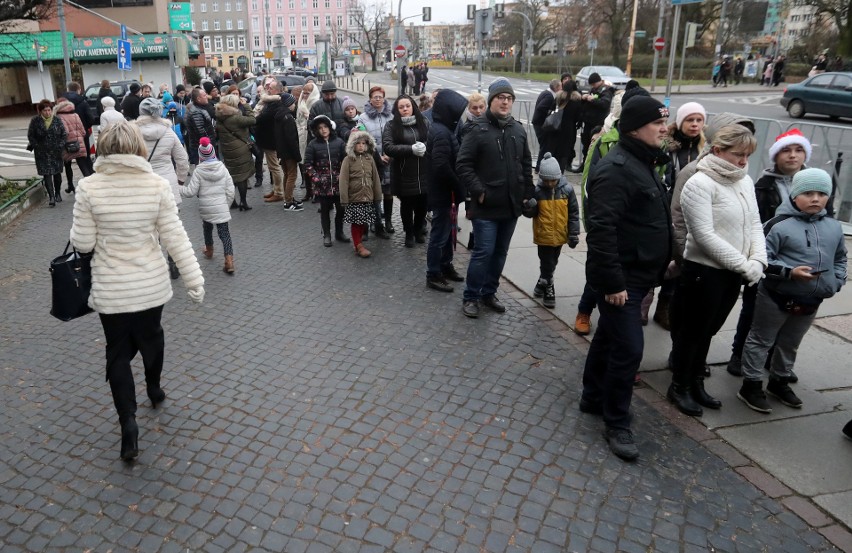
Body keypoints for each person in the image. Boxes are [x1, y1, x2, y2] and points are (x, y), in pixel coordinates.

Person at [70, 121, 204, 461]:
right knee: (152, 337)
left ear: (102, 148)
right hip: (149, 285)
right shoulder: (156, 185)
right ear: (137, 147)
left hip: (111, 287)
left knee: (116, 353)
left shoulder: (88, 187)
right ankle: (154, 386)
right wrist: (193, 279)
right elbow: (174, 235)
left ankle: (128, 424)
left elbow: (82, 243)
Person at [580, 95, 672, 461]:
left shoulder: (643, 161)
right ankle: (616, 421)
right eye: (658, 123)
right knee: (629, 349)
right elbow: (602, 231)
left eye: (665, 122)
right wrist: (614, 283)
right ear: (635, 128)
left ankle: (592, 396)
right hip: (623, 279)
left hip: (640, 272)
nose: (665, 129)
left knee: (607, 338)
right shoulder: (617, 168)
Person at [667, 125, 765, 417]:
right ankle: (679, 385)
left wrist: (759, 260)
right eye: (738, 154)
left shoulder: (744, 181)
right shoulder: (699, 183)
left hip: (733, 273)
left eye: (748, 155)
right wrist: (745, 265)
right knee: (691, 332)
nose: (744, 161)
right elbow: (704, 236)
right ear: (718, 150)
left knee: (708, 331)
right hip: (703, 272)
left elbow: (755, 224)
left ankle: (696, 381)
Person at [737, 168, 847, 413]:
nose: (815, 199)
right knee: (761, 339)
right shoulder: (777, 225)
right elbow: (761, 258)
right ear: (794, 196)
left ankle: (779, 380)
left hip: (812, 297)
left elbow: (840, 257)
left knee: (790, 342)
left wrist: (837, 280)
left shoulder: (833, 226)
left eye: (821, 193)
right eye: (808, 193)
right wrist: (790, 272)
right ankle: (751, 384)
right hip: (777, 295)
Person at [727, 129, 812, 377]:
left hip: (798, 261)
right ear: (775, 156)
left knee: (790, 313)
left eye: (798, 150)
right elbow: (754, 223)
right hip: (766, 258)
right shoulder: (763, 187)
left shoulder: (814, 183)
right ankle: (739, 353)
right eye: (786, 150)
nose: (792, 156)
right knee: (753, 309)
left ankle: (774, 358)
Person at [574, 84, 651, 336]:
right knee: (600, 273)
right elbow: (588, 187)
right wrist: (592, 227)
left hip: (638, 232)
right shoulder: (604, 143)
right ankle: (584, 311)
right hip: (609, 226)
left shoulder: (656, 150)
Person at [456, 78, 533, 318]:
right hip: (486, 205)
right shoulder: (477, 129)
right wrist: (479, 191)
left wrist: (528, 194)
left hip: (511, 205)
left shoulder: (518, 129)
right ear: (492, 100)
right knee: (484, 252)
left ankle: (489, 293)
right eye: (501, 97)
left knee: (500, 253)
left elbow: (527, 165)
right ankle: (471, 296)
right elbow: (463, 164)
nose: (505, 102)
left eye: (509, 98)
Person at [646, 101, 706, 328]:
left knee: (680, 259)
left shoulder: (703, 148)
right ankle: (645, 302)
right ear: (680, 122)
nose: (695, 124)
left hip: (692, 211)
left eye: (699, 120)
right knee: (657, 257)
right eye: (690, 120)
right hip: (666, 209)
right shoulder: (667, 147)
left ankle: (664, 308)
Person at [137, 98, 190, 280]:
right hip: (167, 186)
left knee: (149, 228)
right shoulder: (168, 132)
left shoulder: (133, 133)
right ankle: (173, 264)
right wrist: (180, 180)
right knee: (171, 227)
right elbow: (182, 159)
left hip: (143, 185)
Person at [424, 89, 468, 292]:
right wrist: (457, 185)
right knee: (440, 234)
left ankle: (444, 265)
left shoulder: (443, 128)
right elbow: (441, 165)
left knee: (448, 233)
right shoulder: (441, 131)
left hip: (446, 191)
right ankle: (434, 273)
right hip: (443, 193)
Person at [523, 153, 580, 308]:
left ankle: (542, 281)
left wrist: (573, 233)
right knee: (546, 261)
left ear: (558, 177)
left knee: (552, 261)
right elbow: (531, 214)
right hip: (544, 234)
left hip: (560, 234)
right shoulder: (538, 191)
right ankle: (549, 286)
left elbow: (574, 213)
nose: (550, 184)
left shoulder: (567, 190)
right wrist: (529, 207)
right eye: (546, 181)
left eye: (552, 181)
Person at [181, 137, 237, 274]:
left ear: (201, 155)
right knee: (225, 234)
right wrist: (226, 205)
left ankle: (209, 250)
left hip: (206, 208)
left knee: (207, 228)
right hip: (221, 207)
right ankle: (229, 260)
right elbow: (230, 190)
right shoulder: (222, 168)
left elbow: (190, 192)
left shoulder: (199, 171)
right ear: (213, 153)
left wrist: (178, 187)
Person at [382, 94, 430, 248]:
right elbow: (388, 147)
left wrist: (425, 146)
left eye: (407, 106)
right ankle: (409, 233)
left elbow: (433, 139)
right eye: (401, 107)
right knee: (407, 205)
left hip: (423, 172)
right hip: (404, 174)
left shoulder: (424, 122)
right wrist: (410, 149)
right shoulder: (391, 125)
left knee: (422, 205)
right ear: (397, 109)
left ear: (413, 107)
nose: (405, 109)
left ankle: (418, 230)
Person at [305, 115, 348, 247]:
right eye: (320, 128)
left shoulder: (339, 142)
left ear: (330, 127)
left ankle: (339, 232)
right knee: (324, 210)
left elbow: (346, 160)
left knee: (341, 209)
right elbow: (307, 164)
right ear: (316, 130)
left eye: (325, 127)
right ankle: (327, 235)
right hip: (322, 185)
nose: (323, 130)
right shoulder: (313, 145)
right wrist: (316, 178)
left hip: (338, 183)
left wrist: (343, 175)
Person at [356, 86, 393, 237]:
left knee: (389, 193)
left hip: (390, 159)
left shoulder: (391, 116)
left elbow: (395, 136)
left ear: (384, 98)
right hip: (372, 161)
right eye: (375, 97)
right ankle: (375, 223)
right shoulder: (363, 117)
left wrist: (389, 154)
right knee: (374, 194)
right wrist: (378, 156)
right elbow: (362, 140)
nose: (378, 99)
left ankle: (388, 221)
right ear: (370, 99)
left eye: (380, 97)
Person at [340, 130, 382, 258]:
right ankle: (358, 245)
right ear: (353, 144)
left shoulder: (369, 159)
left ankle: (358, 242)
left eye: (363, 143)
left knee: (363, 221)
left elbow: (375, 178)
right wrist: (344, 199)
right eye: (358, 143)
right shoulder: (348, 160)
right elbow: (344, 180)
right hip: (355, 197)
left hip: (368, 196)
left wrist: (377, 195)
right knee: (356, 222)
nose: (361, 146)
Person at [214, 93, 256, 211]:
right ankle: (243, 202)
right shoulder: (235, 118)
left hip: (227, 149)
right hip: (240, 150)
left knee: (232, 175)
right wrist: (247, 106)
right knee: (242, 177)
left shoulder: (220, 117)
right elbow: (252, 120)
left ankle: (232, 201)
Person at [27, 99, 67, 207]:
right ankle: (52, 197)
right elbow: (31, 135)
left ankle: (58, 193)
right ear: (40, 111)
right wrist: (36, 146)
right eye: (45, 110)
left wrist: (60, 146)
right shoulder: (35, 121)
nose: (47, 112)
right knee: (47, 174)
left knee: (57, 173)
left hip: (56, 151)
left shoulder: (57, 120)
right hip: (42, 152)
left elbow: (64, 134)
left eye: (49, 110)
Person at [54, 97, 94, 193]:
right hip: (78, 143)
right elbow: (83, 132)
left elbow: (65, 132)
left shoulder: (59, 117)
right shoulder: (75, 115)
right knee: (83, 165)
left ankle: (70, 185)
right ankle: (91, 185)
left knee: (67, 165)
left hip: (67, 145)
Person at [541, 89, 582, 174]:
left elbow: (551, 109)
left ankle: (549, 172)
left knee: (552, 151)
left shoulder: (559, 98)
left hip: (554, 128)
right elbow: (578, 116)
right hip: (568, 130)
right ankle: (560, 174)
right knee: (564, 154)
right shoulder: (576, 101)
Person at [578, 72, 614, 171]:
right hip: (589, 121)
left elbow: (605, 104)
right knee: (586, 144)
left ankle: (592, 167)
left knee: (595, 146)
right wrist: (585, 98)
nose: (592, 87)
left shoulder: (606, 90)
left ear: (598, 82)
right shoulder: (594, 89)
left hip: (598, 122)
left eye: (593, 84)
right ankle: (584, 165)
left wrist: (592, 100)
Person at [296, 81, 320, 200]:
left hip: (312, 137)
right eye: (304, 93)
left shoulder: (316, 103)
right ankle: (308, 191)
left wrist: (308, 116)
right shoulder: (301, 102)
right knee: (305, 164)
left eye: (307, 93)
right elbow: (298, 119)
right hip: (301, 136)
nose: (305, 95)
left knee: (314, 166)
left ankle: (316, 192)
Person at [531, 79, 561, 172]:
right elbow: (541, 108)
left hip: (537, 122)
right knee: (544, 146)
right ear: (556, 87)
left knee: (544, 145)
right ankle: (539, 167)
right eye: (560, 87)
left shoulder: (545, 92)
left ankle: (540, 166)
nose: (561, 89)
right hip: (541, 124)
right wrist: (550, 114)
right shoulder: (549, 97)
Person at [63, 82, 95, 162]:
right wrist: (84, 127)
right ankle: (88, 173)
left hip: (67, 136)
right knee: (85, 158)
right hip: (82, 134)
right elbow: (91, 119)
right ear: (79, 90)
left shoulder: (62, 102)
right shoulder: (83, 102)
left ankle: (69, 174)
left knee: (67, 161)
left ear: (68, 89)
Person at [186, 88, 216, 166]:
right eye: (204, 95)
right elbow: (201, 131)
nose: (207, 96)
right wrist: (209, 144)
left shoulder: (201, 108)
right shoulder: (196, 111)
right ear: (198, 99)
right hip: (202, 148)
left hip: (205, 146)